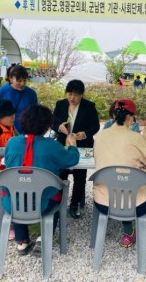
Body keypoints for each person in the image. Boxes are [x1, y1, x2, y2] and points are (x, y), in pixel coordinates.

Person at [3, 105, 80, 255]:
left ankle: (22, 241)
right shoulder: (52, 146)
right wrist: (73, 145)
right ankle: (44, 239)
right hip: (43, 204)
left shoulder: (11, 143)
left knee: (18, 190)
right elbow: (72, 159)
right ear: (47, 125)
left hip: (12, 203)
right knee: (59, 192)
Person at [93, 99, 146, 251]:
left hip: (104, 201)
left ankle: (128, 233)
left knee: (120, 183)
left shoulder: (99, 137)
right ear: (130, 118)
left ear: (113, 115)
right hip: (135, 204)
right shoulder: (136, 138)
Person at [53, 79, 100, 219]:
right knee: (61, 173)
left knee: (80, 176)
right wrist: (58, 127)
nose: (72, 97)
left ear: (81, 95)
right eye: (69, 94)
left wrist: (84, 134)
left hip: (82, 145)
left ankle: (74, 204)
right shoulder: (60, 104)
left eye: (75, 95)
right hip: (63, 144)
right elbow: (53, 121)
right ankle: (59, 202)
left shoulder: (89, 106)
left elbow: (95, 125)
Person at [0, 64, 38, 133]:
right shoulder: (0, 93)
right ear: (10, 78)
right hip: (4, 133)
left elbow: (35, 116)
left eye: (24, 80)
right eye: (19, 80)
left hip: (26, 134)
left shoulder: (31, 94)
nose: (22, 84)